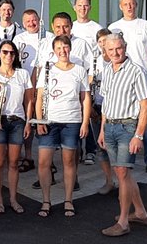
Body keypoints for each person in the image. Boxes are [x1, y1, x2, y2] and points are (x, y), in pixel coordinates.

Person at [98, 34, 147, 237]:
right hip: (110, 127)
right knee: (123, 173)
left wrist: (139, 135)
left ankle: (123, 222)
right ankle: (140, 212)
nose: (115, 53)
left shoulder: (136, 71)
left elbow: (145, 105)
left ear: (125, 47)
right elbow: (106, 103)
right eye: (110, 50)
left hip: (128, 128)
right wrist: (102, 129)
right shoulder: (107, 70)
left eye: (118, 48)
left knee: (122, 172)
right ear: (106, 51)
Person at [34, 35, 91, 218]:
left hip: (72, 121)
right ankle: (45, 200)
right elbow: (40, 97)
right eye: (58, 48)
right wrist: (39, 120)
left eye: (65, 47)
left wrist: (84, 122)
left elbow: (85, 98)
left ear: (70, 48)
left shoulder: (80, 70)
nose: (62, 51)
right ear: (54, 50)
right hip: (50, 122)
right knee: (44, 162)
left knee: (69, 161)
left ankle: (68, 200)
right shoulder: (47, 69)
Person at [108, 0, 147, 173]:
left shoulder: (146, 26)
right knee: (122, 117)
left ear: (136, 5)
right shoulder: (114, 27)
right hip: (121, 77)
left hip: (143, 76)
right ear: (120, 6)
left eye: (132, 4)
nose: (129, 7)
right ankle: (123, 156)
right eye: (125, 4)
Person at [0, 40, 33, 214]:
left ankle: (13, 199)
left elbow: (29, 101)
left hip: (17, 121)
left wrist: (28, 122)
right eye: (5, 52)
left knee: (13, 163)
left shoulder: (23, 74)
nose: (8, 55)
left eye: (11, 52)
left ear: (15, 55)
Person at [13, 9, 54, 173]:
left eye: (34, 20)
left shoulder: (48, 37)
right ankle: (28, 156)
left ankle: (48, 160)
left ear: (39, 20)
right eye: (28, 21)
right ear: (23, 23)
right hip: (25, 87)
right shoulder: (19, 39)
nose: (31, 23)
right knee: (28, 123)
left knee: (44, 124)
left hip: (45, 88)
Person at [71, 0, 104, 165]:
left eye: (86, 5)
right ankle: (77, 149)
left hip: (90, 76)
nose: (83, 8)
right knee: (76, 114)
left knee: (89, 113)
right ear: (74, 7)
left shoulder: (96, 28)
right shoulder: (71, 27)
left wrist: (91, 79)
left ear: (90, 7)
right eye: (80, 5)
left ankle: (90, 151)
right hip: (72, 78)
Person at [93, 28, 116, 195]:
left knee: (114, 147)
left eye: (105, 41)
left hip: (113, 108)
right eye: (100, 42)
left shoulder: (115, 61)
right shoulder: (93, 59)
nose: (103, 45)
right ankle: (108, 181)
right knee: (100, 147)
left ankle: (121, 179)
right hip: (97, 105)